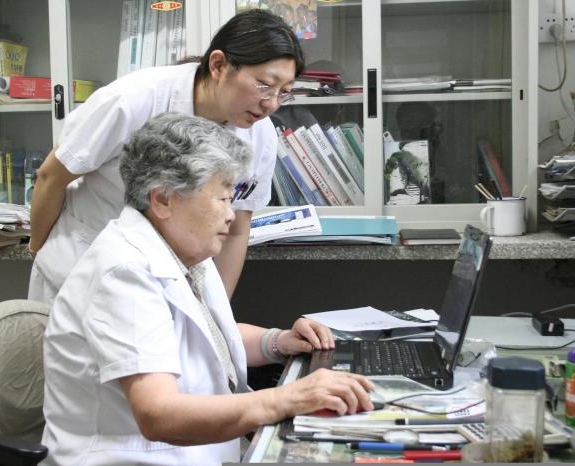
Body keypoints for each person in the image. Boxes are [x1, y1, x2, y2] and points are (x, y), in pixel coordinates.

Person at [41, 113, 374, 466]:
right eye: (222, 198)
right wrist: (285, 399)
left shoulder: (185, 252)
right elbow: (158, 414)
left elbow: (205, 342)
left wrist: (277, 341)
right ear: (163, 199)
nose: (231, 216)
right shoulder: (124, 273)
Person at [28, 9, 304, 305]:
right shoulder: (135, 98)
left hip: (169, 281)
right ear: (219, 65)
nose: (271, 104)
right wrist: (37, 251)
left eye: (284, 92)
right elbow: (52, 176)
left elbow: (236, 230)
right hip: (82, 264)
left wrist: (214, 314)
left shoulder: (260, 135)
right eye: (264, 84)